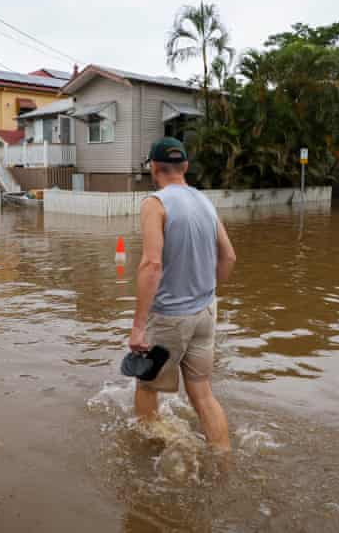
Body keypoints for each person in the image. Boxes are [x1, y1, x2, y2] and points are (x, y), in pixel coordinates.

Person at [129, 137, 237, 452]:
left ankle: (153, 458)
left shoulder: (155, 203)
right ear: (185, 167)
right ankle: (223, 462)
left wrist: (137, 327)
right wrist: (206, 295)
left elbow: (151, 264)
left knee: (147, 388)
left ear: (153, 167)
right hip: (205, 313)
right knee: (203, 394)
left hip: (169, 318)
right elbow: (229, 257)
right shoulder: (204, 201)